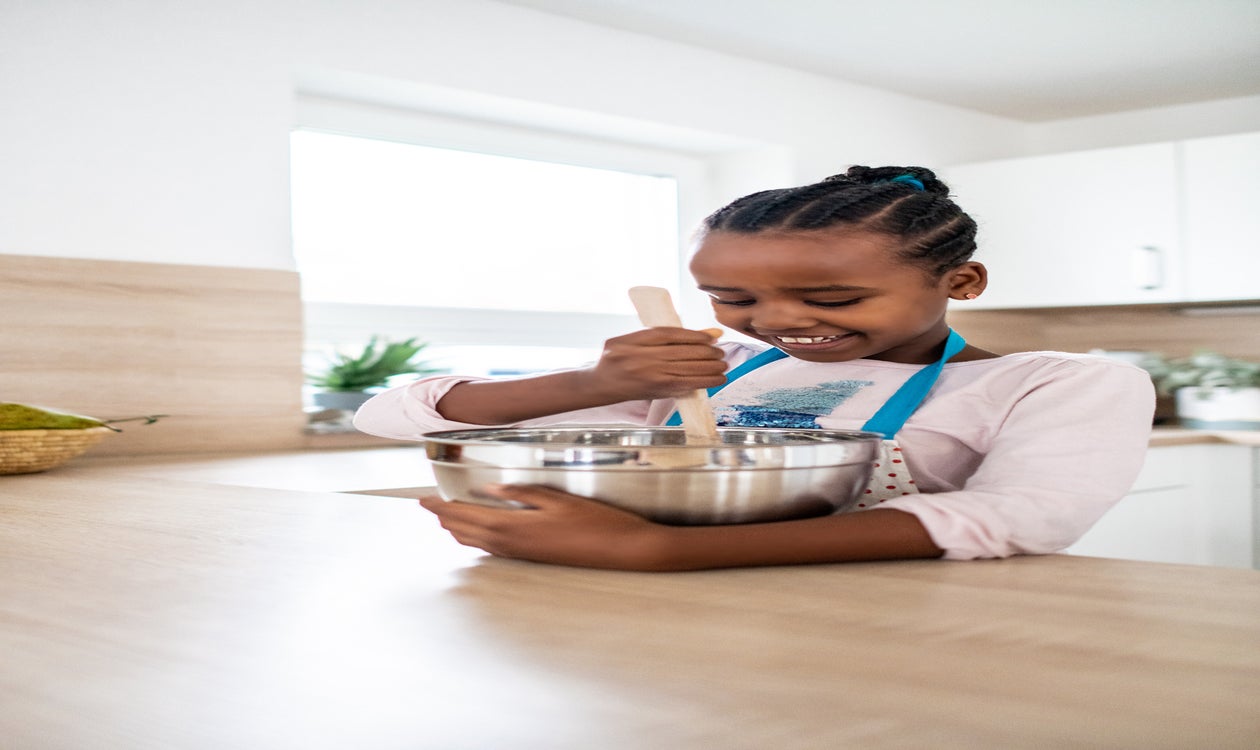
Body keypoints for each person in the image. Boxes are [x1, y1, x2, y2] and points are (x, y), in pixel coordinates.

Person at [354, 165, 1155, 571]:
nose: (773, 322)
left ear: (961, 283)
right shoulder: (720, 368)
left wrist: (656, 552)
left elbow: (1024, 517)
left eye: (833, 297)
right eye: (731, 296)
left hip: (900, 625)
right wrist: (596, 387)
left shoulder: (1053, 381)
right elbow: (387, 415)